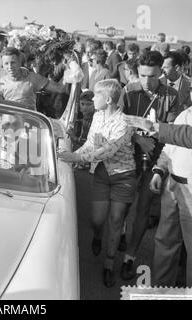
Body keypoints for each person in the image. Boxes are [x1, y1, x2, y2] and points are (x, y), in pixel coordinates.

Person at [58, 79, 136, 287]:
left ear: (108, 99)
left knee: (116, 219)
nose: (92, 99)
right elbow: (91, 143)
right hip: (103, 173)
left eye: (96, 96)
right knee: (97, 220)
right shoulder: (99, 116)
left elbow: (106, 151)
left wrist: (76, 159)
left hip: (124, 176)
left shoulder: (125, 123)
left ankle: (108, 265)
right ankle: (97, 235)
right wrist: (71, 155)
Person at [118, 50, 181, 280]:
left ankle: (130, 257)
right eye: (143, 75)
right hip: (127, 156)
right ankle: (120, 233)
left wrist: (155, 144)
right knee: (122, 206)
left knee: (143, 209)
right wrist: (137, 138)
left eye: (152, 76)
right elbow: (116, 122)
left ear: (161, 73)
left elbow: (173, 133)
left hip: (155, 159)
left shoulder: (171, 95)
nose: (147, 82)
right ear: (137, 73)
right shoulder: (128, 90)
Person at [148, 105, 192, 287]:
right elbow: (170, 145)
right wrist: (159, 170)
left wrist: (156, 128)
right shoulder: (185, 113)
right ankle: (161, 290)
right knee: (165, 240)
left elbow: (184, 135)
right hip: (172, 184)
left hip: (190, 189)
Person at [0, 47, 66, 110]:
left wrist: (69, 73)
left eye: (13, 62)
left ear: (19, 62)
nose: (10, 66)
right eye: (6, 63)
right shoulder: (0, 83)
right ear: (3, 65)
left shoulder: (32, 77)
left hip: (29, 121)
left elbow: (59, 89)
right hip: (10, 122)